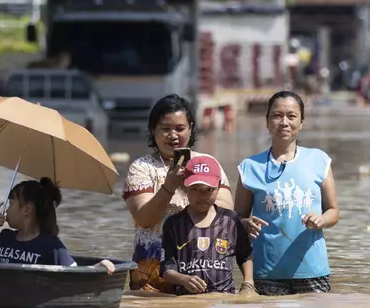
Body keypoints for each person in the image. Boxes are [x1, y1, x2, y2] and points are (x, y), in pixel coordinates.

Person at [121, 94, 233, 293]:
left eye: (179, 129)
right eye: (165, 129)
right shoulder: (141, 168)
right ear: (153, 130)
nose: (173, 135)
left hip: (201, 265)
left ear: (190, 128)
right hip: (152, 268)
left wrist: (195, 189)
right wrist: (169, 186)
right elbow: (145, 219)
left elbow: (226, 213)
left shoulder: (207, 164)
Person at [234, 91, 340, 296]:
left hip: (313, 271)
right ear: (267, 121)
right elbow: (236, 217)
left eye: (291, 116)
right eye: (276, 115)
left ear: (301, 122)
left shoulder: (319, 160)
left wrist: (321, 219)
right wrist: (244, 223)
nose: (284, 122)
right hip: (266, 273)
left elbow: (334, 211)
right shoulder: (249, 167)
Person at [160, 156, 256, 295]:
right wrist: (183, 279)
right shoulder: (174, 224)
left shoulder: (230, 220)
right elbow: (166, 269)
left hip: (224, 300)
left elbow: (245, 255)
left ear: (218, 188)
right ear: (184, 187)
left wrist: (248, 283)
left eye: (209, 190)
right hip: (188, 301)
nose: (202, 195)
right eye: (195, 189)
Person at [0, 177, 115, 273]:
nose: (6, 209)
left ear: (26, 210)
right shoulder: (4, 238)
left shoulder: (51, 246)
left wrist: (98, 266)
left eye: (11, 203)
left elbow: (75, 274)